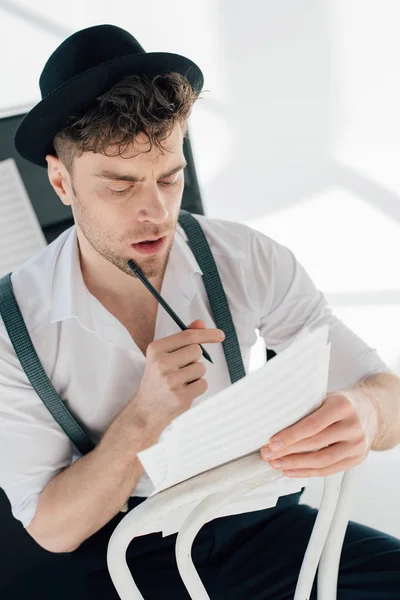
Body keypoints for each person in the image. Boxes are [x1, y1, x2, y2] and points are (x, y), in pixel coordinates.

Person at [1, 23, 399, 600]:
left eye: (170, 176)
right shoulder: (14, 325)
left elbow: (383, 390)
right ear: (62, 181)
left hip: (258, 528)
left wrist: (367, 414)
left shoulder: (247, 258)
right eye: (120, 186)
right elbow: (54, 528)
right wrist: (144, 417)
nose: (155, 211)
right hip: (120, 557)